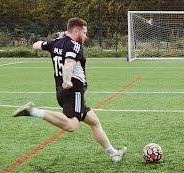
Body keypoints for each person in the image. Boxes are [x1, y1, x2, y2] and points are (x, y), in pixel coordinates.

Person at [13, 17, 126, 162]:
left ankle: (113, 154)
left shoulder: (56, 43)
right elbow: (68, 64)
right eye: (84, 33)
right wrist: (67, 81)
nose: (85, 36)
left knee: (94, 122)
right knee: (71, 124)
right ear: (76, 31)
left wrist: (52, 43)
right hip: (74, 91)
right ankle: (33, 111)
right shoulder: (75, 45)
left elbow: (37, 45)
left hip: (61, 92)